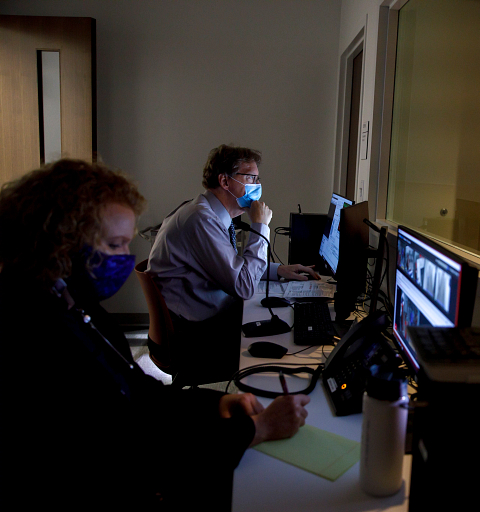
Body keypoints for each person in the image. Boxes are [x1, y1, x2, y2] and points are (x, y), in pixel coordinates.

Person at [0, 159, 310, 511]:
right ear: (60, 242)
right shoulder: (33, 335)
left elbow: (138, 393)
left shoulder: (71, 304)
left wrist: (215, 404)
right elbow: (136, 444)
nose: (127, 257)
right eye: (115, 244)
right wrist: (257, 430)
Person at [146, 145, 319, 381]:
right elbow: (243, 286)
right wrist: (261, 227)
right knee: (283, 343)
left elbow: (232, 266)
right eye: (250, 178)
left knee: (281, 320)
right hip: (195, 336)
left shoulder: (209, 213)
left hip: (203, 321)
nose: (257, 186)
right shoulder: (201, 219)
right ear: (225, 181)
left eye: (258, 179)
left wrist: (278, 270)